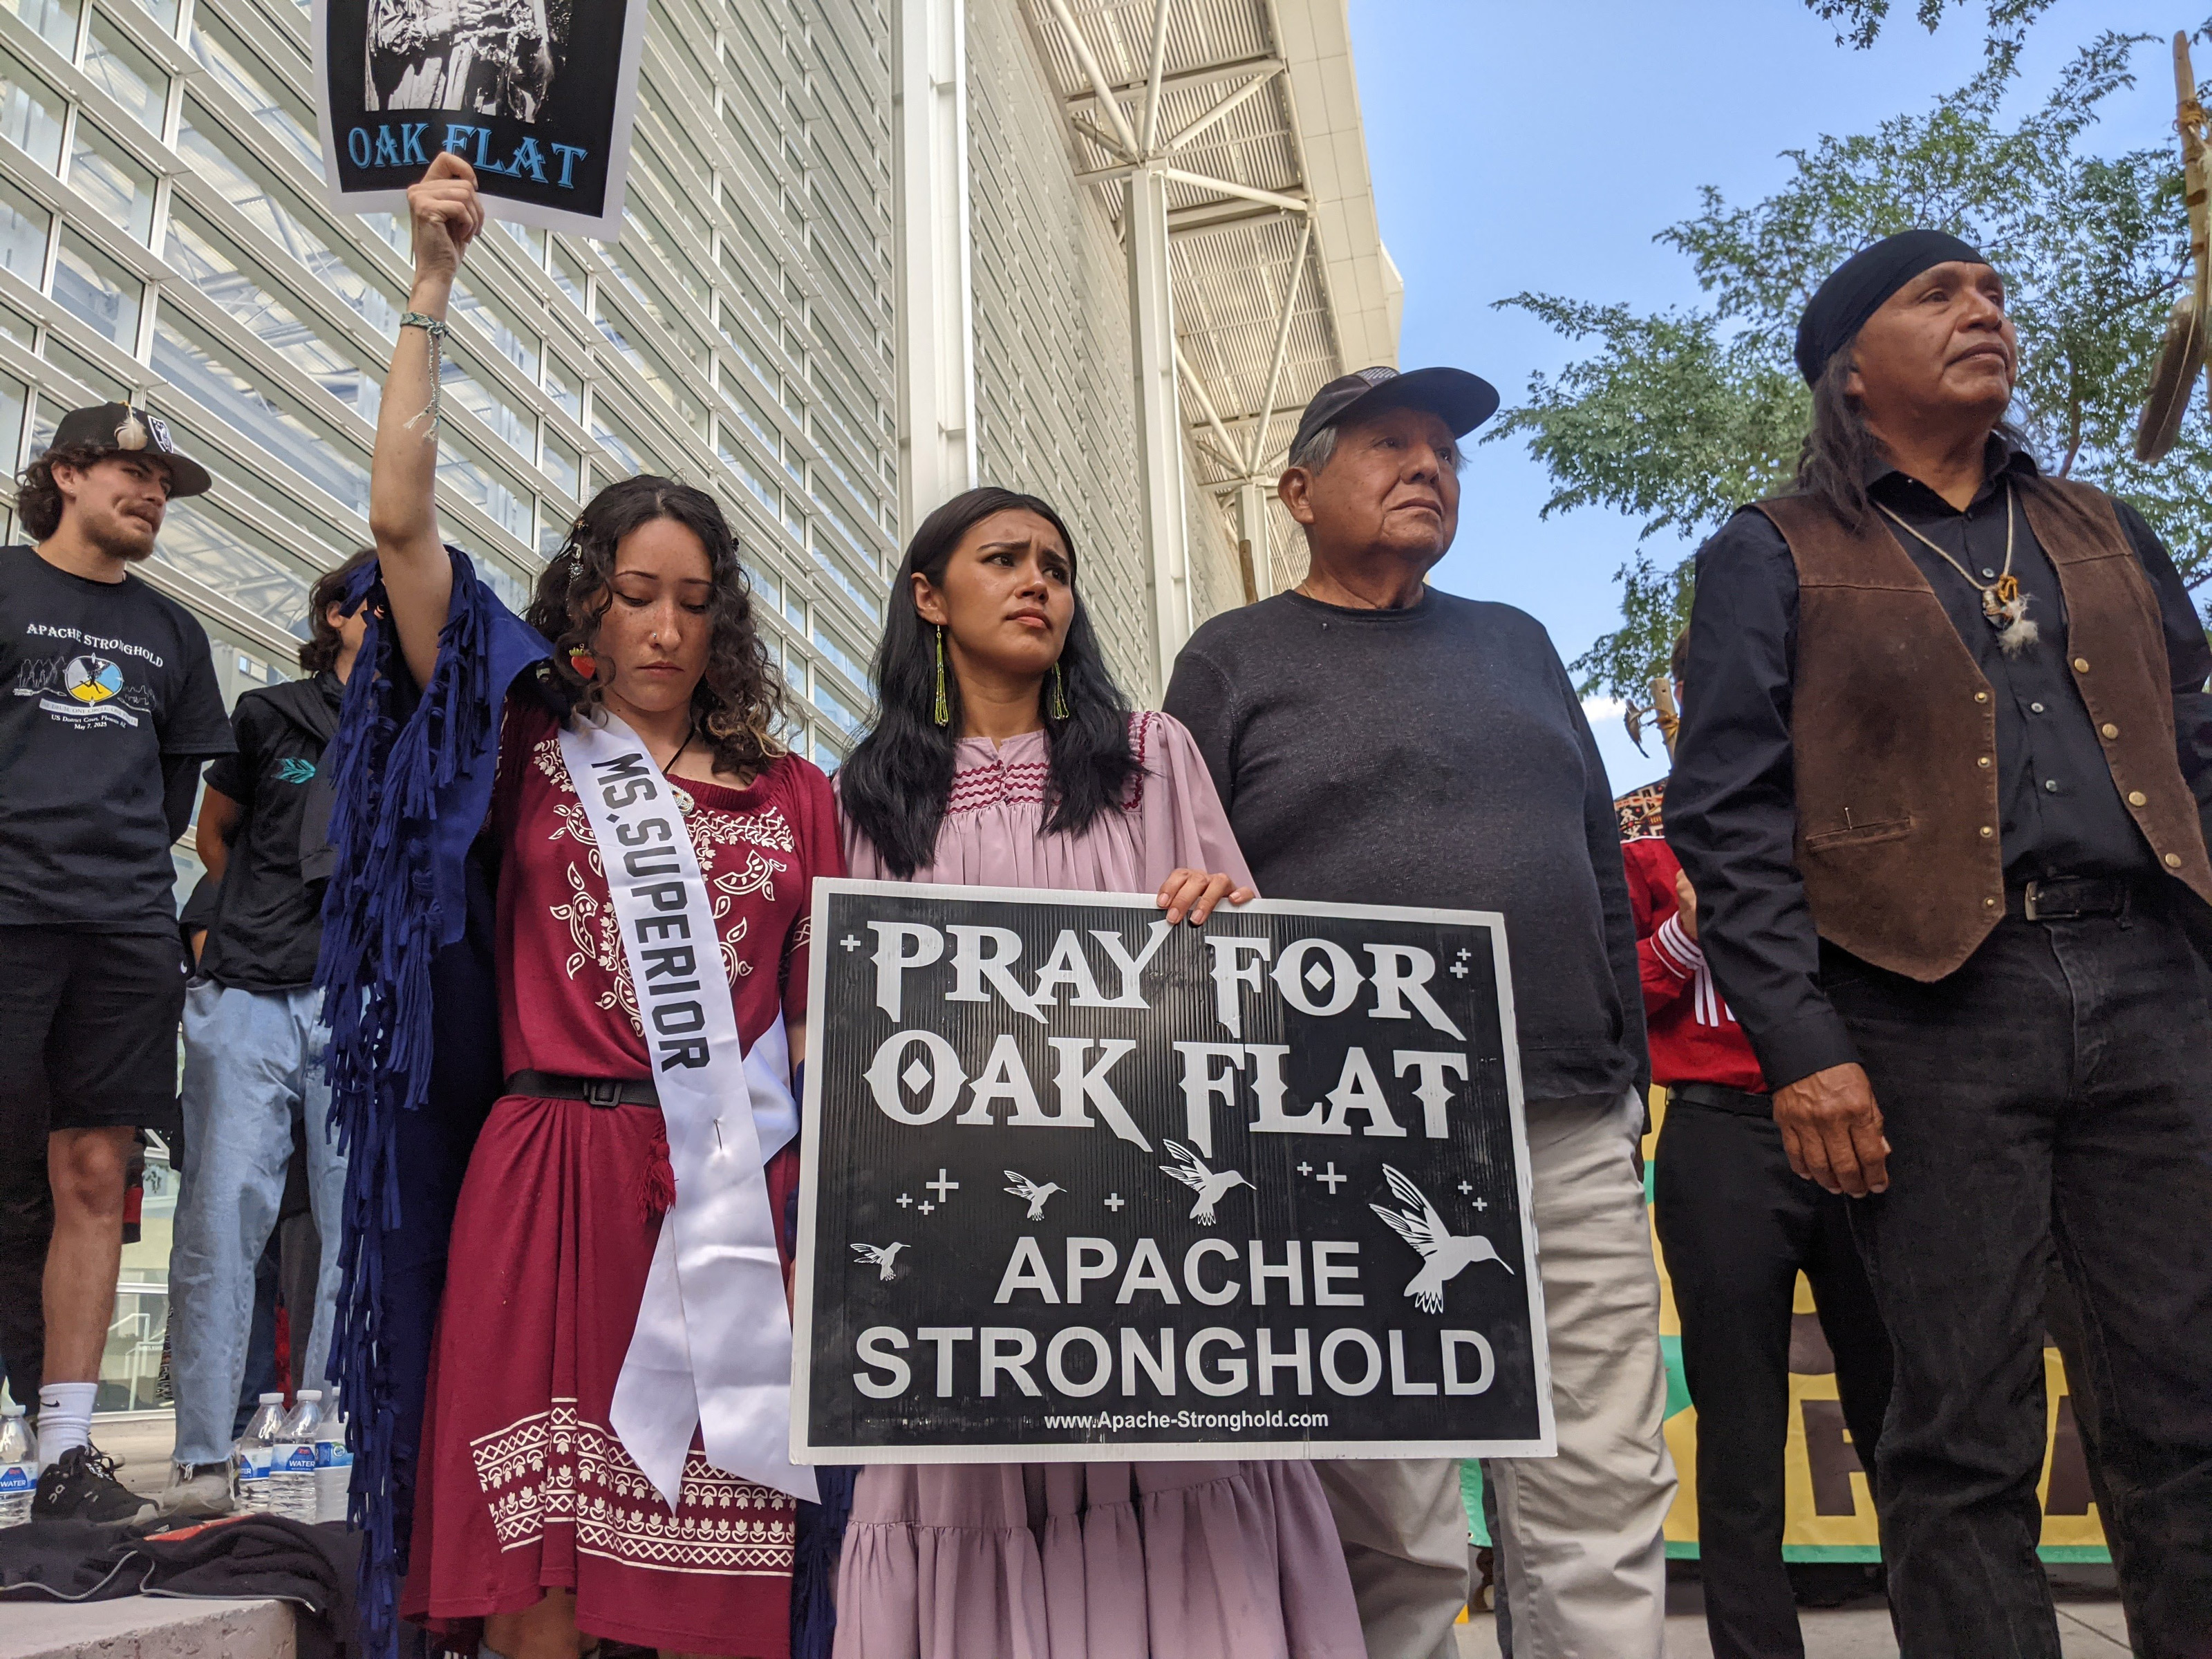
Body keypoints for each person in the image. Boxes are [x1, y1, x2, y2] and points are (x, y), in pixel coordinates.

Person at [1666, 229, 2212, 1657]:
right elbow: (1730, 824)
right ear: (1850, 369)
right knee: (1957, 1431)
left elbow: (2199, 753)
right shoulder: (1769, 551)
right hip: (1924, 1011)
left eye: (1992, 294)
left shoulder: (2101, 526)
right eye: (1938, 295)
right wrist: (1801, 1047)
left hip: (2154, 986)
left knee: (2186, 1407)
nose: (1985, 310)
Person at [329, 152, 840, 1658]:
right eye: (634, 592)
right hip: (546, 1169)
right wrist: (432, 281)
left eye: (693, 598)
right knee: (538, 1580)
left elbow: (833, 1020)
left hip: (728, 1201)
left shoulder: (795, 795)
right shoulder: (524, 738)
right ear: (587, 599)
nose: (665, 624)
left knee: (704, 1577)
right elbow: (403, 531)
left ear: (723, 615)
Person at [1165, 366, 1676, 1659]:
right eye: (1390, 444)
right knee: (1384, 1501)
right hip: (1342, 1131)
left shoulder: (1516, 641)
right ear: (1296, 491)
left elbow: (1594, 863)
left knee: (1599, 1478)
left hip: (1563, 1113)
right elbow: (1174, 867)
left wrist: (1625, 1062)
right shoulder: (1232, 659)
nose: (1429, 468)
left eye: (1446, 452)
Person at [830, 485, 1365, 1659]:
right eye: (1005, 560)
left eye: (1058, 569)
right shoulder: (867, 797)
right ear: (929, 596)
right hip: (966, 1260)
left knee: (1179, 1498)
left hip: (1151, 1255)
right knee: (970, 1504)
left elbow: (1246, 992)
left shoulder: (1149, 757)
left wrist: (1226, 913)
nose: (1039, 584)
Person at [1632, 631, 1892, 1659]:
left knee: (1904, 1413)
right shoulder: (1644, 842)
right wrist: (1692, 930)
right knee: (1740, 1435)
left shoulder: (1850, 824)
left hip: (1860, 1128)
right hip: (1722, 1136)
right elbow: (1619, 990)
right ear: (1684, 709)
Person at [0, 403, 232, 1519]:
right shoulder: (3, 589)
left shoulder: (176, 635)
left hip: (124, 932)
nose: (151, 494)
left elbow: (174, 800)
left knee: (96, 1178)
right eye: (132, 472)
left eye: (163, 484)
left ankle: (64, 1455)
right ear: (67, 474)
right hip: (6, 915)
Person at [158, 550, 377, 1519]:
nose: (383, 622)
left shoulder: (416, 728)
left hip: (357, 996)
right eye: (366, 608)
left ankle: (324, 1434)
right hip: (248, 988)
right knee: (219, 1216)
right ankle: (204, 1451)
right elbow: (218, 837)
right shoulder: (266, 713)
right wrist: (239, 925)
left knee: (349, 1229)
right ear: (333, 614)